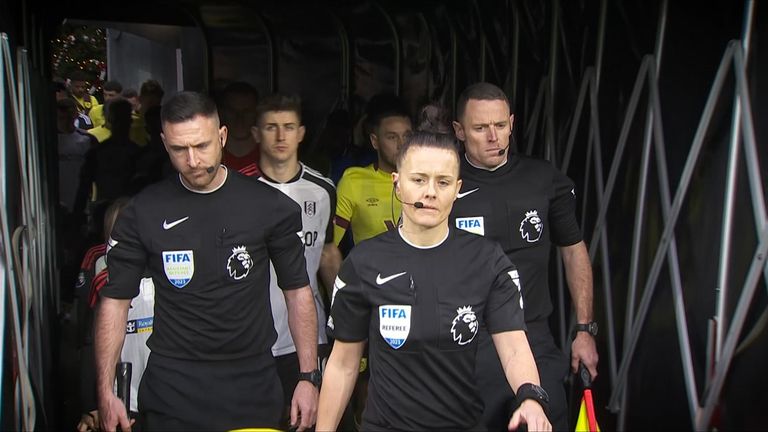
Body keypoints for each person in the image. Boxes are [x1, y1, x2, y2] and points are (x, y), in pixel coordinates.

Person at [94, 91, 319, 431]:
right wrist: (105, 391)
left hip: (251, 387)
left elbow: (298, 291)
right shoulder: (144, 211)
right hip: (173, 392)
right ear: (164, 143)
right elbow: (115, 301)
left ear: (222, 136)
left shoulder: (268, 206)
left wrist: (307, 375)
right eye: (179, 150)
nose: (193, 160)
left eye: (201, 146)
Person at [317, 131, 552, 431]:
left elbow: (515, 347)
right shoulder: (364, 262)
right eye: (418, 179)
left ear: (457, 189)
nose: (430, 192)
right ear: (397, 184)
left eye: (442, 182)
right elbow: (343, 364)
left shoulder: (487, 260)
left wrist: (531, 397)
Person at [449, 82, 599, 431]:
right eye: (480, 127)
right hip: (468, 338)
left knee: (549, 419)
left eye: (501, 126)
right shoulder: (443, 184)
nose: (493, 137)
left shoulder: (542, 178)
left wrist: (584, 329)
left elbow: (573, 251)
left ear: (512, 123)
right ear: (458, 131)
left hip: (533, 333)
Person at [251, 93, 342, 428]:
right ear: (256, 133)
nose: (280, 136)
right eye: (271, 127)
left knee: (306, 422)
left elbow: (329, 253)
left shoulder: (323, 189)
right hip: (255, 338)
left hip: (308, 336)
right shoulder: (241, 190)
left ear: (301, 133)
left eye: (288, 127)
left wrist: (343, 314)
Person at [76, 197, 154, 432]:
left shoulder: (171, 275)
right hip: (123, 402)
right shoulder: (104, 282)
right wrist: (93, 403)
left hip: (169, 397)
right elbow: (91, 344)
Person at [333, 94, 413, 247]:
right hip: (369, 270)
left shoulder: (428, 181)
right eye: (392, 137)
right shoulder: (354, 181)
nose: (401, 145)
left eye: (407, 136)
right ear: (375, 141)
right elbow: (329, 247)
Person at [219, 81, 261, 175]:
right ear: (222, 113)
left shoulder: (269, 153)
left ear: (256, 113)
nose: (239, 118)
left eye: (247, 112)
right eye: (232, 111)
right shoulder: (210, 154)